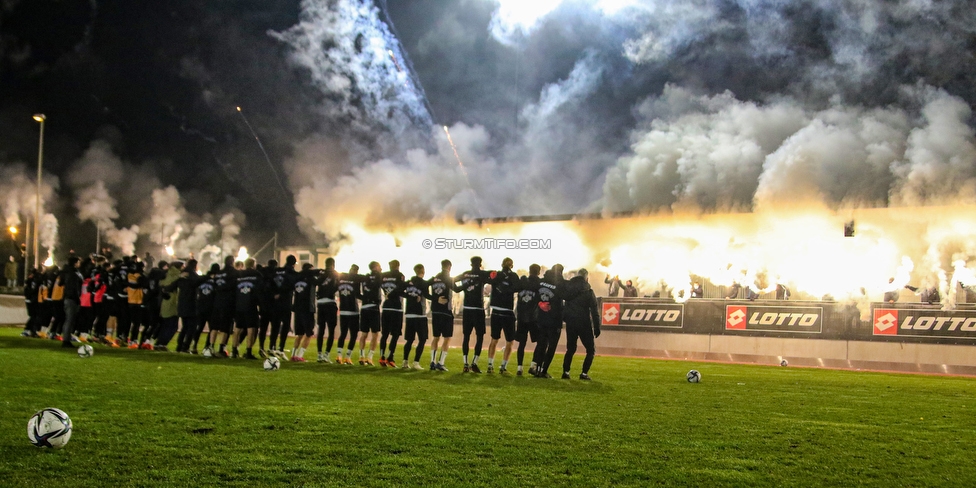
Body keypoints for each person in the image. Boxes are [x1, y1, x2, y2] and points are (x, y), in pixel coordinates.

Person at [560, 268, 601, 380]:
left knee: (571, 349)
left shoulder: (568, 289)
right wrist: (597, 327)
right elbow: (594, 311)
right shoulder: (588, 291)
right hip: (584, 323)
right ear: (586, 278)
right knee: (590, 350)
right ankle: (584, 373)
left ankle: (566, 372)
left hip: (571, 323)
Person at [458, 256, 491, 373]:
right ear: (480, 263)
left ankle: (465, 363)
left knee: (466, 336)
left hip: (467, 308)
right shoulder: (482, 274)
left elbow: (451, 282)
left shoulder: (465, 274)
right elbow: (493, 276)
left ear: (471, 263)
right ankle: (474, 363)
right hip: (478, 309)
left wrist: (461, 287)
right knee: (480, 336)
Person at [487, 257, 519, 374]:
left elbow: (489, 279)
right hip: (507, 311)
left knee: (494, 339)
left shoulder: (497, 274)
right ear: (512, 265)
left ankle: (490, 365)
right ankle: (503, 367)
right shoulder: (514, 276)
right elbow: (517, 288)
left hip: (495, 310)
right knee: (510, 341)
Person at [533, 264, 565, 378]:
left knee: (541, 345)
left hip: (541, 319)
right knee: (551, 346)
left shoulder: (541, 282)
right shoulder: (559, 284)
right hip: (554, 320)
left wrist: (540, 303)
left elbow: (535, 296)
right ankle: (544, 370)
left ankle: (537, 369)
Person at [428, 259, 459, 371]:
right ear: (449, 267)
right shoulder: (449, 278)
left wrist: (435, 298)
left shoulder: (434, 278)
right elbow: (457, 289)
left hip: (435, 311)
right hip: (446, 312)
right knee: (447, 338)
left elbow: (423, 288)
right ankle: (441, 363)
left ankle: (432, 361)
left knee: (436, 337)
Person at [400, 263, 431, 370]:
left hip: (409, 313)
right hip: (420, 314)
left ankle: (405, 361)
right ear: (423, 270)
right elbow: (427, 295)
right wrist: (437, 299)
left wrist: (409, 296)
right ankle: (416, 362)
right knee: (422, 339)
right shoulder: (423, 283)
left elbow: (399, 291)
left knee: (409, 340)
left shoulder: (408, 282)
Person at [207, 256, 238, 358]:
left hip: (217, 301)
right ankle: (221, 348)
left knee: (215, 325)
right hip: (228, 302)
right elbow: (234, 285)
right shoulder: (233, 272)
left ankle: (210, 347)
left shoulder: (219, 273)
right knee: (226, 326)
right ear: (232, 262)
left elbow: (215, 285)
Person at [232, 258, 263, 359]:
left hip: (239, 304)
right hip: (250, 304)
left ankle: (234, 351)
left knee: (237, 328)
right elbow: (260, 290)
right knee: (251, 328)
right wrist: (260, 303)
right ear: (253, 264)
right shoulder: (256, 274)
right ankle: (248, 352)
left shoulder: (239, 274)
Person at [515, 264, 541, 376]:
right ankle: (533, 365)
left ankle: (519, 367)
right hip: (533, 318)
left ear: (529, 271)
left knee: (522, 343)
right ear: (538, 272)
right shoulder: (539, 284)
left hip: (521, 317)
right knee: (540, 342)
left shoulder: (523, 281)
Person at [269, 255, 297, 358]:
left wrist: (274, 293)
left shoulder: (277, 271)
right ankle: (280, 349)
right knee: (285, 326)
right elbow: (290, 285)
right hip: (285, 303)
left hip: (275, 303)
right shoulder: (291, 272)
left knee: (275, 326)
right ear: (293, 263)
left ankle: (272, 347)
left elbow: (270, 283)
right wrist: (281, 293)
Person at [379, 260, 405, 367]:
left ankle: (382, 357)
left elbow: (380, 285)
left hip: (386, 307)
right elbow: (400, 289)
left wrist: (387, 293)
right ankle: (390, 357)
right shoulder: (400, 275)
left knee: (384, 334)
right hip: (396, 308)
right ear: (398, 266)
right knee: (395, 334)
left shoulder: (383, 276)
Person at [289, 263, 317, 362]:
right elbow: (320, 281)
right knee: (309, 333)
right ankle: (300, 356)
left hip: (297, 308)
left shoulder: (297, 278)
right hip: (307, 309)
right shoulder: (311, 278)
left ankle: (293, 355)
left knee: (299, 334)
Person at [336, 264, 362, 364]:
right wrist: (368, 298)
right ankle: (347, 357)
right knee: (353, 335)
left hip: (343, 309)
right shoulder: (356, 280)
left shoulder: (341, 278)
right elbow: (358, 294)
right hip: (353, 310)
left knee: (343, 334)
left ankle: (339, 356)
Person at [315, 258, 340, 363]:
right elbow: (337, 287)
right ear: (333, 264)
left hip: (320, 304)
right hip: (330, 303)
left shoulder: (321, 273)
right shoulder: (336, 274)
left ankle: (319, 354)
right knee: (331, 330)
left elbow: (316, 283)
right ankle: (326, 354)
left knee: (321, 329)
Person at [173, 260, 201, 353]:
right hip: (191, 304)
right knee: (192, 327)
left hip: (182, 303)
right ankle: (185, 346)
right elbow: (198, 281)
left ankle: (179, 346)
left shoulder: (181, 275)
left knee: (185, 327)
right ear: (195, 265)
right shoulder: (192, 275)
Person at [155, 261, 183, 351]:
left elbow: (160, 285)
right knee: (173, 326)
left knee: (165, 325)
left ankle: (158, 343)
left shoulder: (165, 274)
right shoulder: (178, 275)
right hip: (173, 304)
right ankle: (163, 343)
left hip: (164, 303)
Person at [60, 257, 84, 348]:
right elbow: (74, 288)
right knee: (69, 320)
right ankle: (66, 341)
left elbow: (60, 283)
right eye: (78, 262)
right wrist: (77, 298)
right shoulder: (73, 274)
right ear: (75, 263)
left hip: (68, 298)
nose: (79, 264)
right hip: (71, 298)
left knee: (69, 320)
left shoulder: (67, 272)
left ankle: (67, 339)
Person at [194, 264, 219, 354]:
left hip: (200, 306)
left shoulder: (202, 280)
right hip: (211, 308)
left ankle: (194, 346)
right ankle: (207, 347)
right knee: (212, 329)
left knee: (199, 328)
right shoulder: (215, 282)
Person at [256, 259, 277, 357]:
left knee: (263, 327)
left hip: (263, 305)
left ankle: (261, 347)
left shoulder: (261, 274)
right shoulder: (274, 275)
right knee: (274, 327)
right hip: (273, 305)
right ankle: (272, 347)